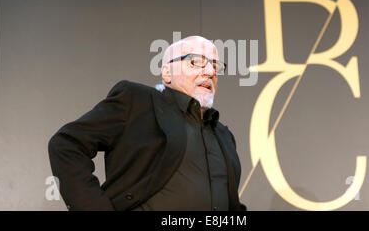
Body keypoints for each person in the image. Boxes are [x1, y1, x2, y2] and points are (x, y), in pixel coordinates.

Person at [48, 35, 246, 211]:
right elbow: (66, 145)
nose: (211, 71)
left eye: (215, 65)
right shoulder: (137, 102)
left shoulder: (224, 136)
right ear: (167, 73)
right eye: (197, 62)